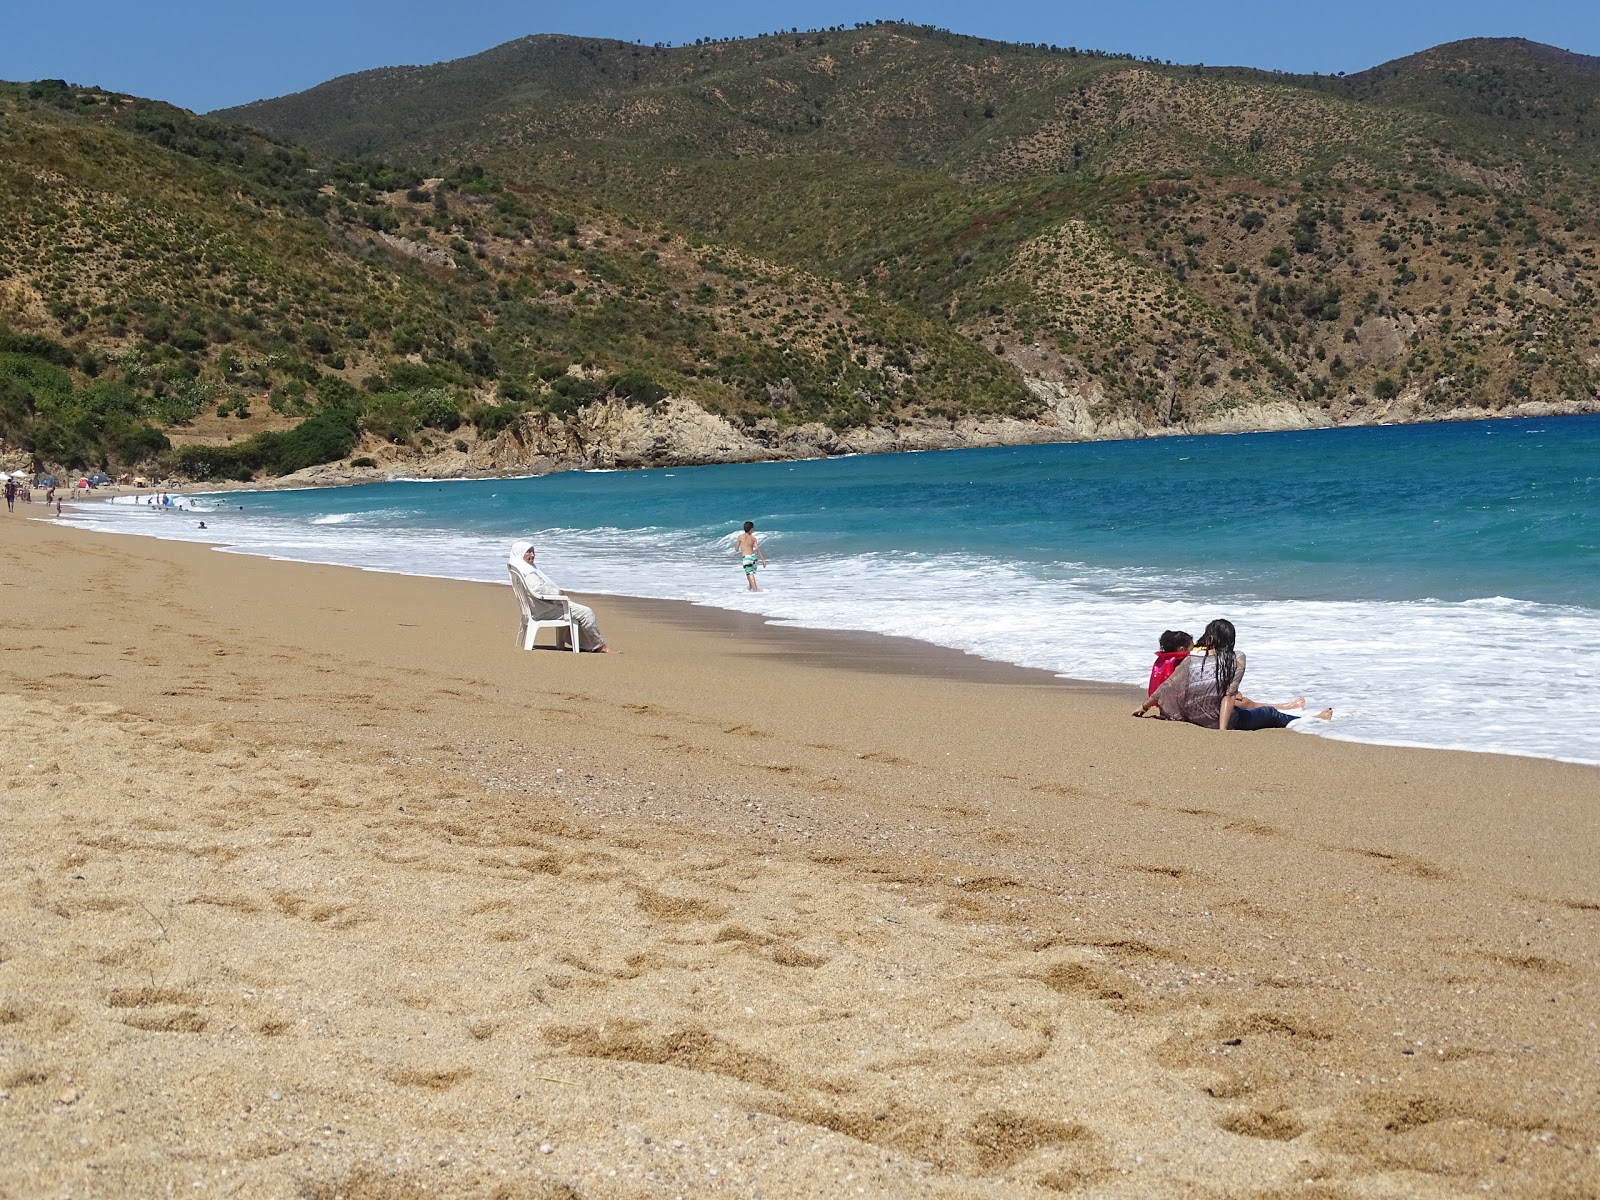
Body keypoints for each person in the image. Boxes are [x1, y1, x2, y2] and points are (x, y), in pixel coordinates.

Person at [1133, 618, 1331, 730]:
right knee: (1271, 714)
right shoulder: (1237, 658)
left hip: (1190, 716)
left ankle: (1300, 711)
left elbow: (1166, 687)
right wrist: (1222, 729)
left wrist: (1143, 707)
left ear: (1209, 638)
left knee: (1247, 705)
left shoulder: (1192, 658)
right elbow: (1228, 694)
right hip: (1214, 719)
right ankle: (1315, 719)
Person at [508, 540, 612, 653]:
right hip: (544, 610)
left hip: (536, 609)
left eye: (533, 552)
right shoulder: (527, 572)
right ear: (520, 553)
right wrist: (558, 594)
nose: (532, 555)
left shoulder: (520, 568)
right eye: (528, 552)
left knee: (576, 610)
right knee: (587, 612)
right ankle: (600, 647)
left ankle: (583, 643)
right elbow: (538, 589)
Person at [1148, 630, 1192, 695]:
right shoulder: (1179, 661)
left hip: (1155, 699)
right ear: (1182, 650)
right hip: (1173, 700)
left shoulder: (1161, 659)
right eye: (1191, 649)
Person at [734, 521, 767, 591]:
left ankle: (756, 592)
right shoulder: (753, 539)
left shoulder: (740, 537)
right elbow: (757, 549)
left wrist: (738, 547)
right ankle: (750, 588)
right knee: (749, 573)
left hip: (747, 558)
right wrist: (763, 560)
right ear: (751, 529)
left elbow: (736, 549)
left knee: (750, 575)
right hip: (754, 558)